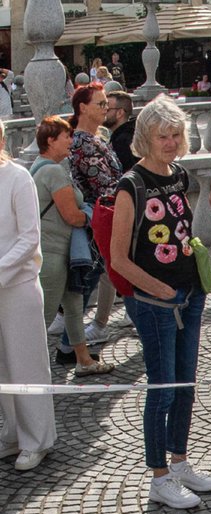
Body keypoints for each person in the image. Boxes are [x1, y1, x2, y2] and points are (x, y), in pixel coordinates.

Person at [107, 96, 211, 509]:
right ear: (145, 138)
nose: (170, 142)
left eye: (175, 135)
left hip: (190, 294)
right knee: (163, 388)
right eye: (162, 136)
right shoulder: (131, 185)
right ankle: (159, 476)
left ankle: (180, 461)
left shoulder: (179, 174)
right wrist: (160, 289)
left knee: (185, 385)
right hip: (155, 303)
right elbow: (118, 258)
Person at [31, 115, 112, 377]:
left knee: (75, 308)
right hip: (54, 256)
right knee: (43, 318)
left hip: (59, 254)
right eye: (66, 136)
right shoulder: (53, 171)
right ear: (51, 141)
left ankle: (84, 360)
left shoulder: (39, 166)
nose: (71, 141)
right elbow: (72, 217)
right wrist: (90, 214)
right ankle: (27, 372)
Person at [0, 118, 56, 473]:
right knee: (2, 365)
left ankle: (37, 439)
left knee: (26, 363)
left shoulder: (18, 177)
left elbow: (29, 238)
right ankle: (12, 432)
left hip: (18, 285)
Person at [67, 82, 121, 349]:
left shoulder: (96, 137)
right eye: (100, 104)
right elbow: (105, 185)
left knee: (106, 270)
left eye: (106, 104)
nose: (105, 109)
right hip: (99, 215)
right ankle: (84, 329)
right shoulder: (83, 142)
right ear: (83, 108)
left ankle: (92, 325)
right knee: (101, 271)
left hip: (105, 212)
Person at [103, 90, 135, 171]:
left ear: (120, 113)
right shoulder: (132, 132)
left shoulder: (122, 142)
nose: (103, 112)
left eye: (107, 109)